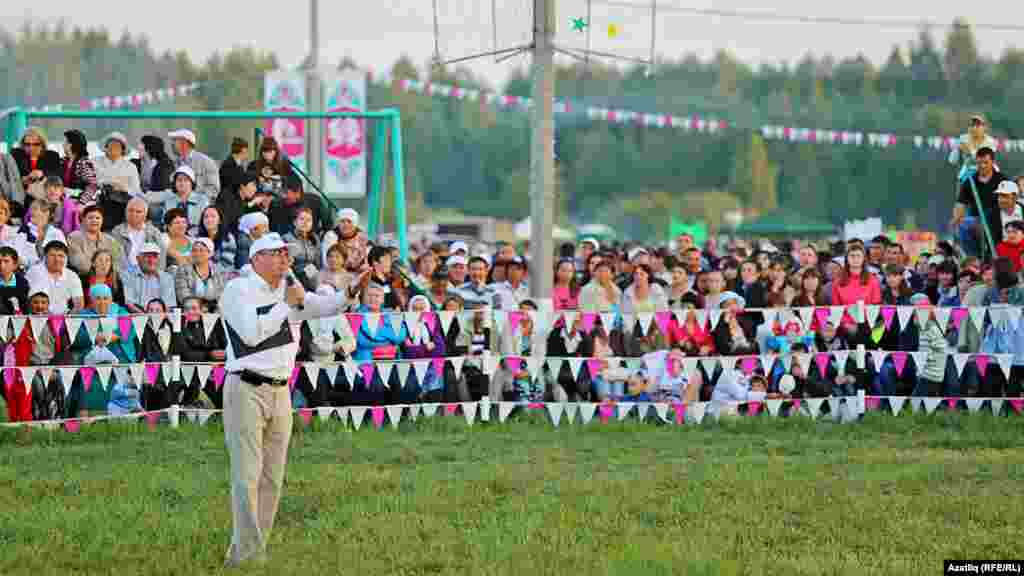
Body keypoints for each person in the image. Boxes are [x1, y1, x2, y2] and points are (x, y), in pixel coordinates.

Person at [218, 233, 351, 567]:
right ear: (257, 258)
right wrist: (287, 306)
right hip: (245, 388)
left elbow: (321, 307)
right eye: (277, 254)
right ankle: (248, 554)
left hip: (281, 391)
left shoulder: (288, 288)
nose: (284, 260)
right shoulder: (239, 290)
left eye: (285, 254)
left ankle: (252, 548)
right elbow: (251, 333)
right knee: (247, 475)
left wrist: (350, 293)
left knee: (273, 478)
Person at [952, 147, 1009, 257]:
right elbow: (960, 204)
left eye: (985, 162)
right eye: (979, 163)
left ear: (992, 162)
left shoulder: (1002, 179)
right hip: (976, 219)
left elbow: (1009, 202)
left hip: (998, 219)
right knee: (963, 224)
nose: (982, 166)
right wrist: (956, 218)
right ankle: (974, 257)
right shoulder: (970, 181)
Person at [25, 240, 84, 314]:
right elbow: (27, 302)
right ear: (45, 256)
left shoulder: (72, 275)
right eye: (52, 255)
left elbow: (79, 304)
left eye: (61, 256)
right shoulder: (34, 272)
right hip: (38, 317)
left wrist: (68, 320)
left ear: (66, 258)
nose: (57, 259)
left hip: (65, 318)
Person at [110, 197, 166, 271]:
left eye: (138, 212)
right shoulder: (117, 232)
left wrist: (154, 276)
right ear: (126, 212)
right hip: (126, 274)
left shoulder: (154, 233)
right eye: (130, 210)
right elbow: (117, 259)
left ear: (145, 215)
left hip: (150, 274)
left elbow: (161, 259)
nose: (133, 214)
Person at [66, 204, 124, 275]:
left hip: (109, 278)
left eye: (97, 218)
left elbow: (119, 260)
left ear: (102, 220)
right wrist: (100, 271)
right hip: (84, 278)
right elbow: (77, 261)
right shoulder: (74, 237)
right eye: (90, 218)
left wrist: (109, 272)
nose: (94, 220)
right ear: (83, 219)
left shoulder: (110, 240)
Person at [121, 243, 177, 314]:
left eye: (155, 257)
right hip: (137, 318)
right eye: (147, 256)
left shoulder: (167, 277)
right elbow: (130, 304)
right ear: (138, 259)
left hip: (160, 317)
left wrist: (157, 319)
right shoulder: (128, 275)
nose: (151, 260)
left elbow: (169, 306)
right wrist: (146, 318)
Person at [168, 128, 220, 201]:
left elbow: (214, 189)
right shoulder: (174, 164)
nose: (172, 144)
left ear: (184, 143)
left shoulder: (207, 162)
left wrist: (194, 199)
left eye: (175, 141)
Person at [175, 237, 226, 309]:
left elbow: (221, 296)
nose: (197, 253)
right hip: (190, 310)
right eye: (194, 250)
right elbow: (183, 295)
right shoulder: (183, 270)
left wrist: (210, 308)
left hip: (213, 311)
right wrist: (199, 307)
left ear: (210, 253)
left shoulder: (219, 272)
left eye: (201, 250)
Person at [94, 132, 141, 198]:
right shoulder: (94, 162)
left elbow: (136, 190)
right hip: (98, 199)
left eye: (117, 146)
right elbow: (88, 183)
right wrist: (104, 183)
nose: (113, 148)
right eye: (111, 146)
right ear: (105, 148)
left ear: (123, 150)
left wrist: (124, 189)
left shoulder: (130, 167)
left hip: (123, 201)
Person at [194, 206, 238, 271]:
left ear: (220, 220)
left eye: (213, 216)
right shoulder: (196, 237)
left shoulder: (227, 238)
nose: (209, 219)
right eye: (206, 217)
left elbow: (226, 263)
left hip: (223, 274)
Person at [60, 129, 98, 203]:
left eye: (65, 142)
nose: (63, 144)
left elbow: (92, 185)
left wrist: (82, 202)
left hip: (77, 202)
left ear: (71, 144)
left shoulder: (84, 162)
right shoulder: (62, 161)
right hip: (62, 201)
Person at [219, 137, 250, 207]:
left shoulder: (238, 164)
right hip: (229, 201)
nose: (246, 155)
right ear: (243, 150)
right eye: (246, 151)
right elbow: (234, 183)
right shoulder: (228, 165)